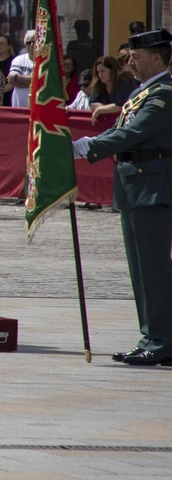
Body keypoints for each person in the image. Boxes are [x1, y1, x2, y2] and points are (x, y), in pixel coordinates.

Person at [72, 28, 172, 366]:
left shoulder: (164, 93)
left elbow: (134, 133)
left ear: (157, 58)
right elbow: (120, 130)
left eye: (137, 56)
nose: (130, 60)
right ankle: (153, 336)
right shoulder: (143, 93)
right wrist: (80, 145)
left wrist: (88, 147)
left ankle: (160, 340)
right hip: (134, 184)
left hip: (152, 186)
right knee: (141, 268)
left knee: (152, 268)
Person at [8, 29, 37, 108]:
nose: (31, 45)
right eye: (28, 43)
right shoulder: (18, 60)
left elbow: (43, 81)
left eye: (34, 42)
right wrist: (34, 81)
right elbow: (11, 80)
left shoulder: (45, 61)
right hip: (19, 105)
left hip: (38, 105)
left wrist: (18, 78)